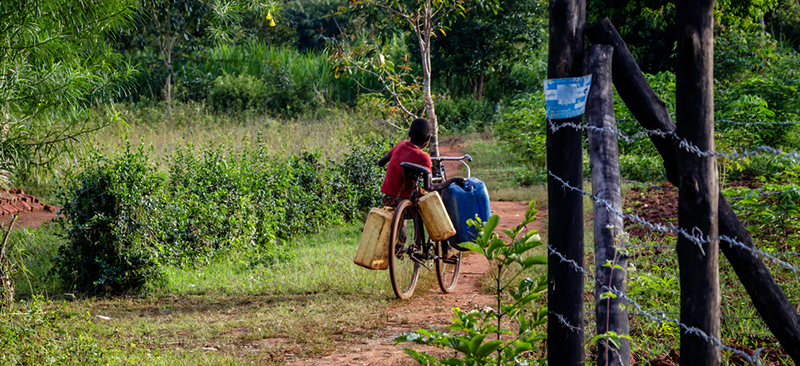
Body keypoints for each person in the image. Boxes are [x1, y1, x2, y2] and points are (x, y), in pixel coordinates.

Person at [378, 117, 464, 257]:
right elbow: (429, 186)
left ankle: (401, 242)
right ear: (428, 138)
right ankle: (445, 248)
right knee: (434, 202)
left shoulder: (400, 145)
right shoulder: (424, 157)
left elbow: (381, 162)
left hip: (388, 199)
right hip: (405, 201)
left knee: (410, 200)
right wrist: (453, 180)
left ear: (409, 134)